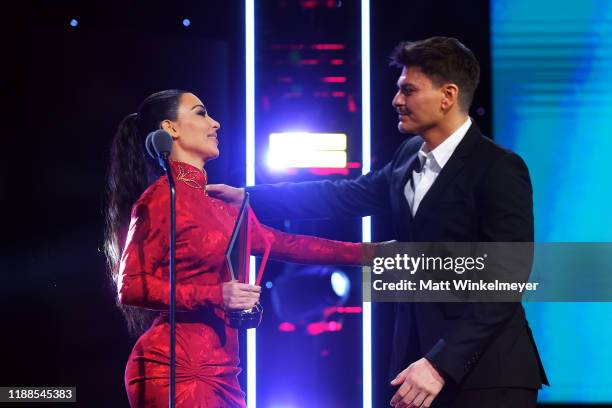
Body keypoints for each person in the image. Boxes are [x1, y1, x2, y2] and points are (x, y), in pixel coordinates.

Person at [207, 37, 548, 407]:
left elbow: (505, 282)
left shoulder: (497, 167)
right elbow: (342, 195)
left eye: (408, 90)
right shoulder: (406, 157)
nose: (396, 101)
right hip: (415, 369)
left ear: (447, 95)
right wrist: (250, 197)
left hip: (487, 375)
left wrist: (440, 364)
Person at [104, 89, 371, 407]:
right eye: (201, 113)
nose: (215, 123)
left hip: (225, 372)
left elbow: (289, 244)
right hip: (175, 368)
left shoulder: (223, 206)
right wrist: (218, 295)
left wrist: (373, 254)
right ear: (170, 128)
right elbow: (131, 286)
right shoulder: (161, 198)